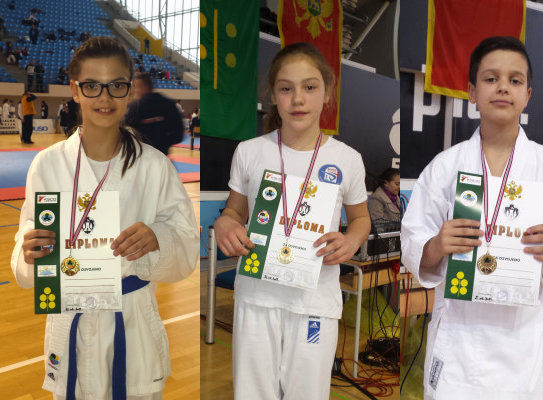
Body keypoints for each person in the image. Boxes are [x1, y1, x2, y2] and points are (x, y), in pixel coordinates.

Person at [10, 36, 196, 400]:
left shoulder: (154, 166)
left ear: (130, 91)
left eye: (116, 86)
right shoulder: (47, 165)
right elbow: (28, 237)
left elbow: (187, 250)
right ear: (75, 90)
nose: (105, 98)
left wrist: (158, 239)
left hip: (132, 321)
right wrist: (28, 254)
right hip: (71, 320)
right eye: (92, 86)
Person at [402, 36, 543, 398]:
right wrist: (436, 245)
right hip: (458, 338)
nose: (503, 87)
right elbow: (413, 238)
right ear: (472, 92)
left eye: (515, 80)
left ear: (527, 95)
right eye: (490, 78)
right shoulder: (445, 167)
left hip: (519, 340)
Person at [211, 42, 370, 400]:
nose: (298, 98)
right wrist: (225, 223)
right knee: (252, 394)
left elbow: (361, 219)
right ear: (273, 95)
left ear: (327, 93)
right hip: (257, 296)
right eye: (286, 88)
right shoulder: (250, 151)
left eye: (310, 87)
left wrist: (351, 240)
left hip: (315, 298)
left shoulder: (347, 159)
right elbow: (234, 212)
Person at [123, 73, 183, 154]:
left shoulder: (136, 107)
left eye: (136, 87)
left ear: (144, 87)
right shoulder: (168, 104)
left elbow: (124, 133)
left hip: (142, 154)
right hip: (161, 154)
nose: (134, 91)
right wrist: (164, 143)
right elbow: (178, 134)